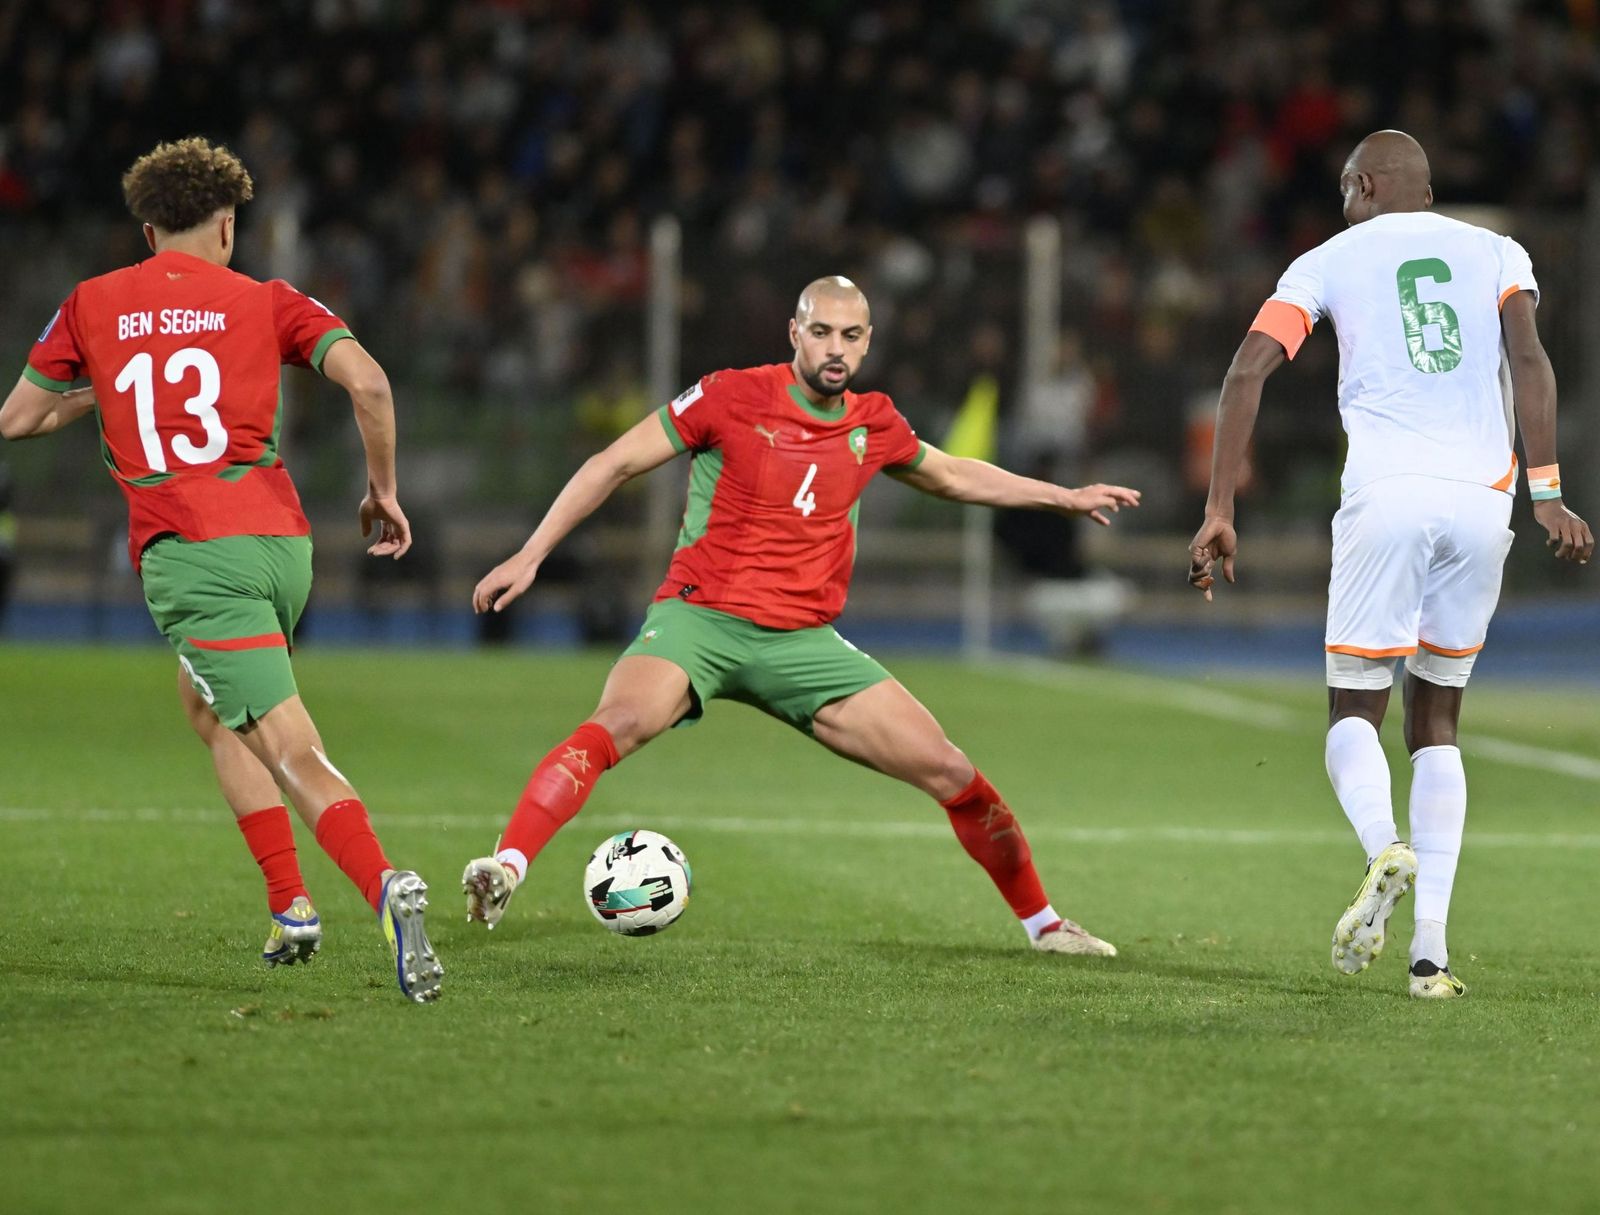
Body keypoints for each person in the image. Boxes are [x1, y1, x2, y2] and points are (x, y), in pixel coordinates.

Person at [464, 276, 1140, 955]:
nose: (835, 348)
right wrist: (532, 555)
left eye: (850, 335)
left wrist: (1063, 497)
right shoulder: (730, 394)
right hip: (701, 621)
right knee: (619, 723)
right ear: (795, 333)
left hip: (804, 644)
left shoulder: (873, 420)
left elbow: (954, 474)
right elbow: (613, 462)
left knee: (951, 770)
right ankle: (506, 866)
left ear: (868, 340)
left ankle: (1046, 925)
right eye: (821, 332)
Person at [0, 137, 442, 1003]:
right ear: (228, 226)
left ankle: (385, 887)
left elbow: (18, 419)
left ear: (147, 228)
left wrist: (114, 382)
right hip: (281, 547)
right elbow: (372, 385)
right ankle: (291, 906)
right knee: (206, 703)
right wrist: (382, 491)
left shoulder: (92, 303)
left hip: (193, 554)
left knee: (288, 742)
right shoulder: (268, 299)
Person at [1187, 131, 1592, 999]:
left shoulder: (1326, 259)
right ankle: (1430, 956)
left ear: (1366, 186)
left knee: (1353, 709)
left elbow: (1245, 372)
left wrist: (1221, 507)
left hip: (1389, 493)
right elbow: (1530, 361)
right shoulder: (1497, 251)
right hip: (1486, 499)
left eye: (1343, 190)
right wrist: (1547, 492)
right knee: (1438, 720)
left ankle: (1383, 848)